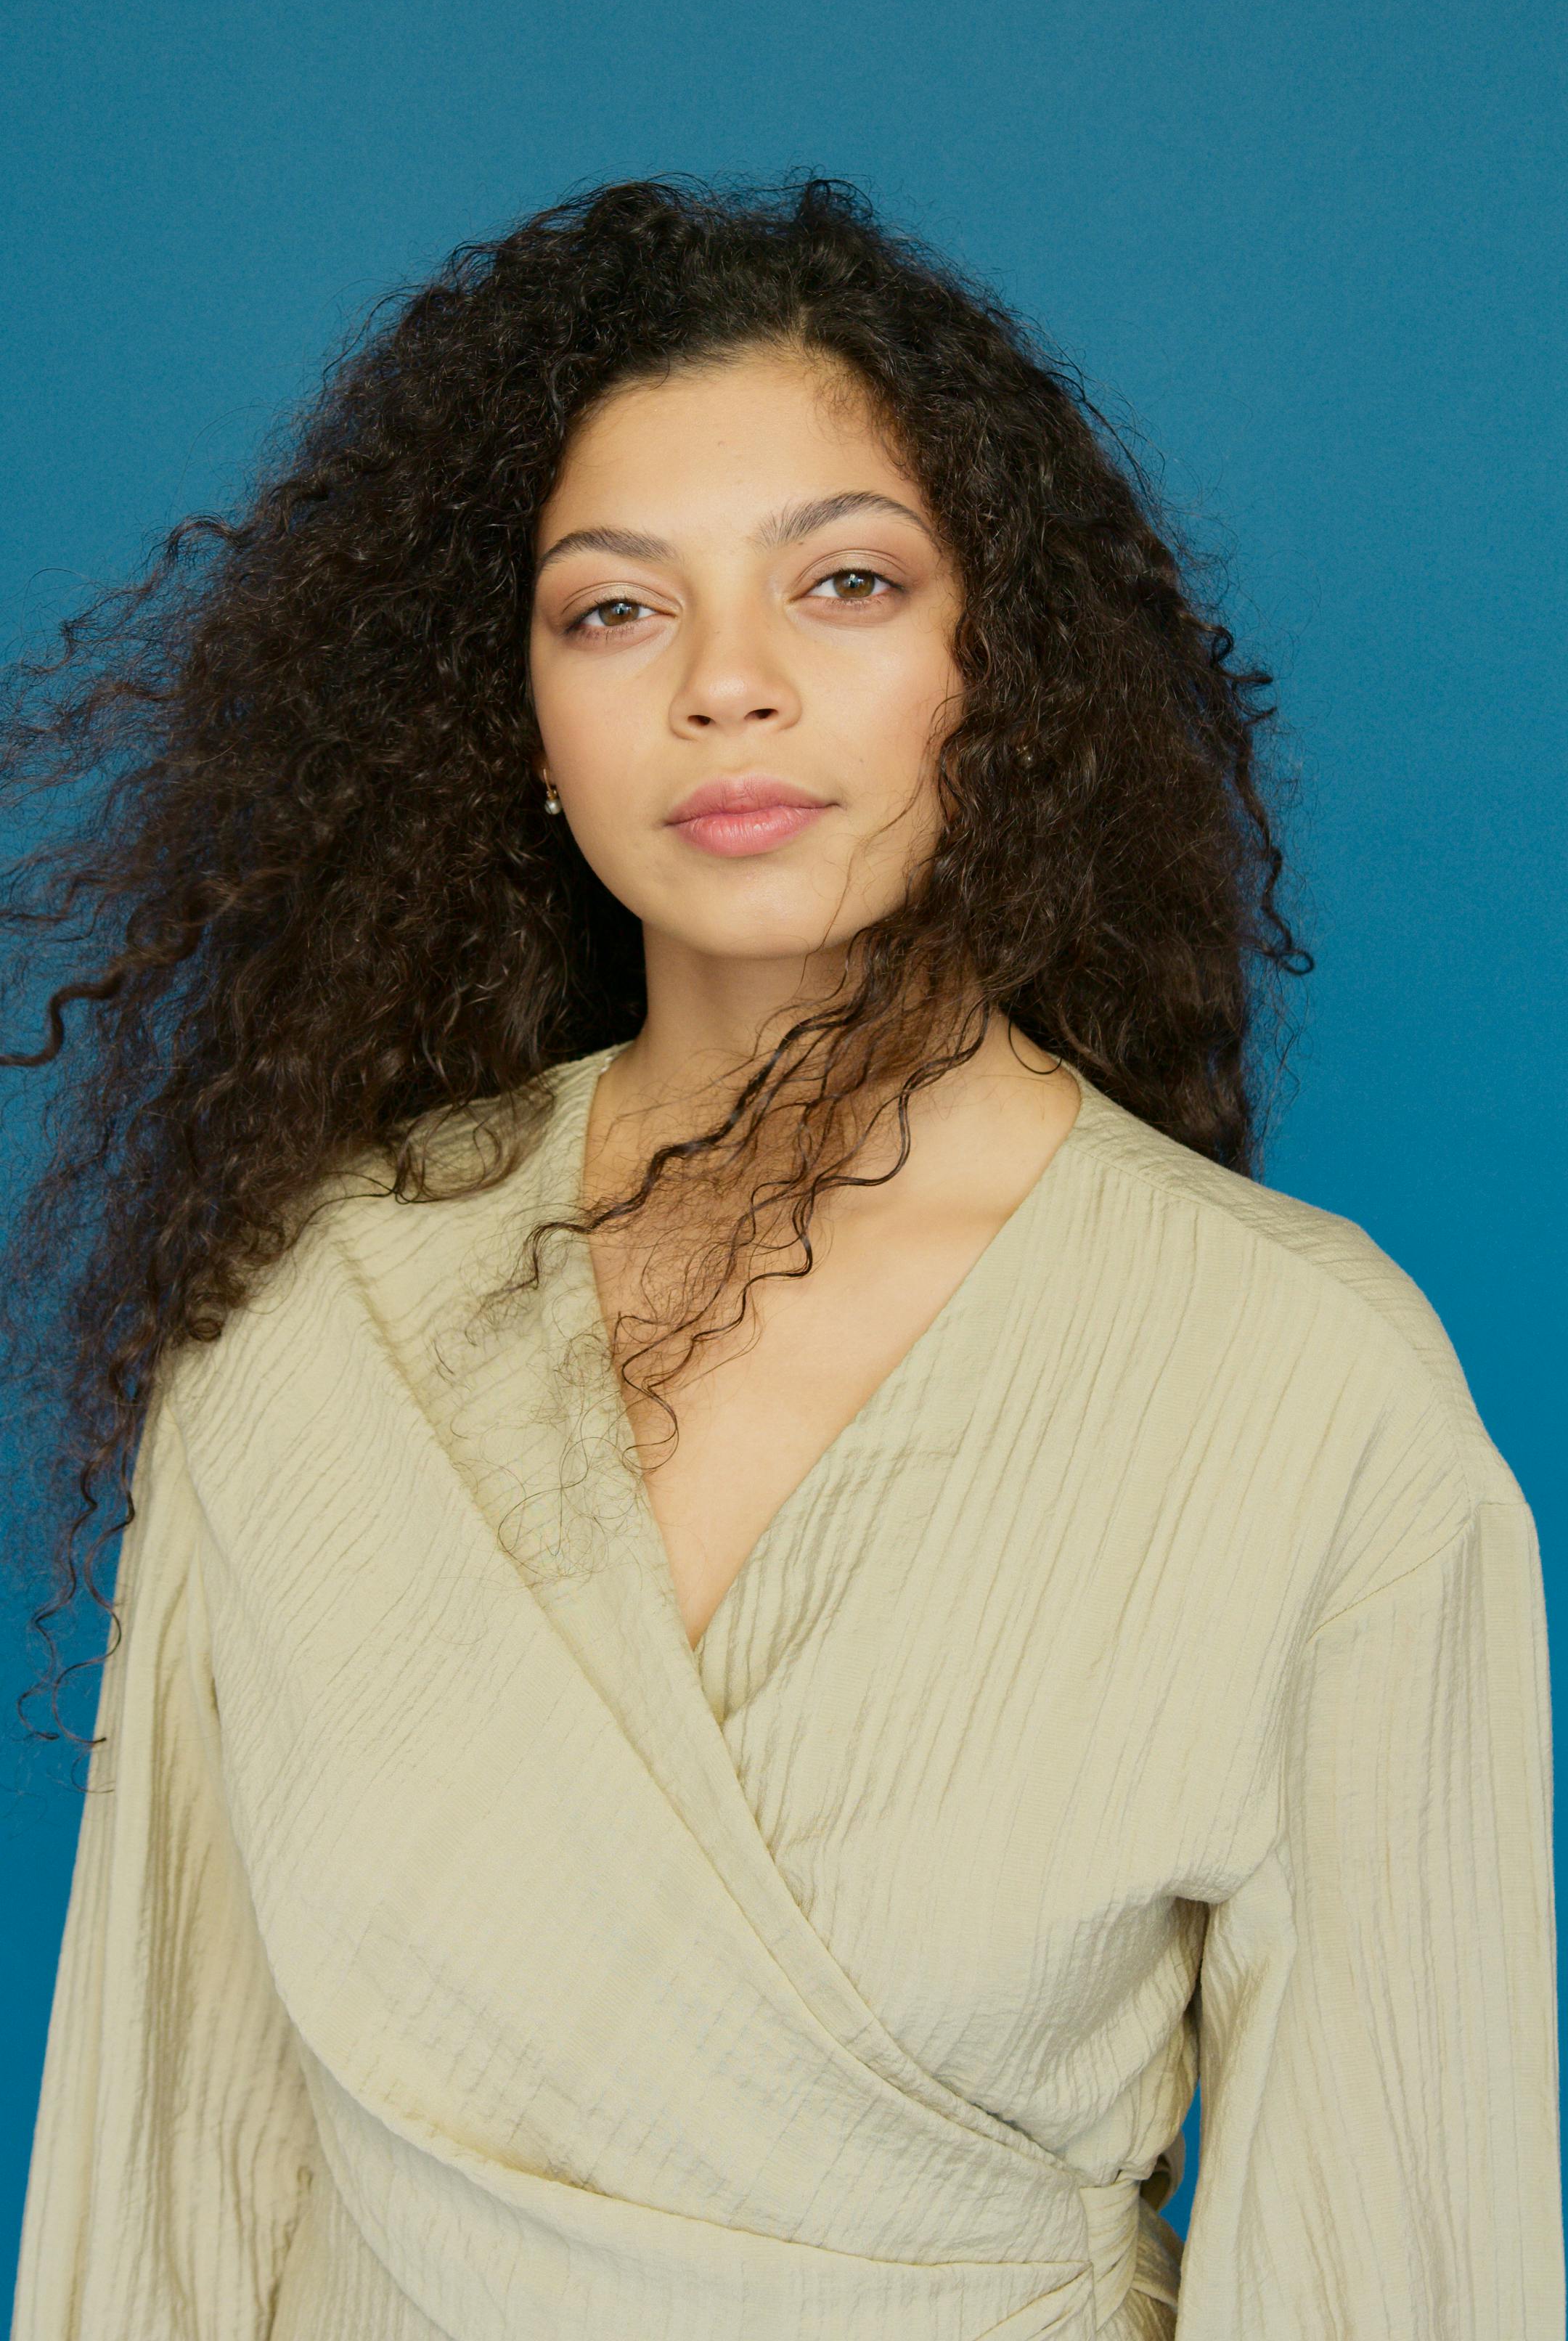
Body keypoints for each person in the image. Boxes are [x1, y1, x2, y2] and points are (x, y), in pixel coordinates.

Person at [4, 176, 1559, 2339]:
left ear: (992, 665)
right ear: (521, 722)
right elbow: (158, 2178)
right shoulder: (309, 1316)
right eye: (613, 611)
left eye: (844, 583)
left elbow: (1402, 2268)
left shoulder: (1304, 1392)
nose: (729, 688)